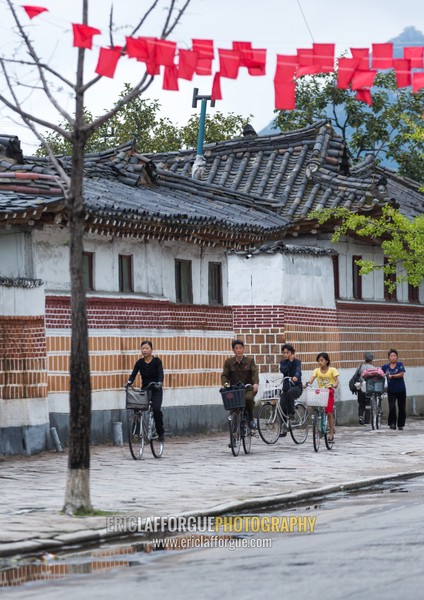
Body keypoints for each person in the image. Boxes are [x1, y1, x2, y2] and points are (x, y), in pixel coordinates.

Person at [126, 340, 165, 442]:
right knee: (137, 407)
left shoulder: (157, 361)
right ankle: (137, 431)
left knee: (156, 410)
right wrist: (129, 382)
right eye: (143, 348)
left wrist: (160, 382)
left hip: (156, 389)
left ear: (151, 349)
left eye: (147, 348)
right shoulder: (139, 363)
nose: (144, 350)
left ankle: (160, 433)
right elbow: (133, 374)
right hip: (145, 390)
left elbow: (161, 373)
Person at [222, 340, 259, 429]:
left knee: (248, 399)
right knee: (232, 404)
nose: (238, 350)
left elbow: (255, 372)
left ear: (243, 349)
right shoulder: (228, 362)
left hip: (248, 389)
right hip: (235, 389)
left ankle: (250, 418)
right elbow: (224, 375)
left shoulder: (250, 361)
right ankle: (234, 434)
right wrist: (225, 384)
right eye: (236, 348)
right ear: (233, 350)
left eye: (240, 348)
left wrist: (256, 383)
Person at [305, 352, 339, 442]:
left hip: (329, 391)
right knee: (312, 402)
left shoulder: (332, 370)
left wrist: (334, 385)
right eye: (318, 360)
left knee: (329, 413)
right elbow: (311, 380)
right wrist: (306, 384)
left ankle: (331, 432)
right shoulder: (316, 371)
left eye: (322, 360)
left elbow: (336, 381)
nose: (320, 362)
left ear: (327, 361)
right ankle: (318, 418)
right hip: (320, 392)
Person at [279, 344, 302, 435]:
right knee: (282, 405)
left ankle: (292, 413)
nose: (285, 355)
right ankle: (284, 428)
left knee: (290, 393)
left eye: (287, 353)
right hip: (286, 388)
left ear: (292, 352)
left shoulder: (297, 362)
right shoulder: (283, 363)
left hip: (296, 387)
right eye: (284, 353)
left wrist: (296, 376)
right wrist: (290, 362)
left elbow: (298, 371)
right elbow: (283, 370)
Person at [382, 349, 407, 431]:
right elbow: (380, 373)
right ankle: (392, 423)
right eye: (391, 356)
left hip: (401, 389)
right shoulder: (385, 367)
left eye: (394, 356)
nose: (393, 357)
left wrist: (392, 376)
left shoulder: (400, 365)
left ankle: (400, 424)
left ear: (397, 357)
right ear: (388, 358)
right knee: (392, 407)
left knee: (402, 407)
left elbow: (401, 374)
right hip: (391, 390)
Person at [352, 352, 376, 425]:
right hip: (370, 388)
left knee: (361, 403)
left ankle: (360, 416)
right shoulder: (374, 368)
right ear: (372, 359)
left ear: (364, 358)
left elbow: (355, 376)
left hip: (361, 387)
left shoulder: (360, 366)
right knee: (368, 403)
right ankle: (366, 420)